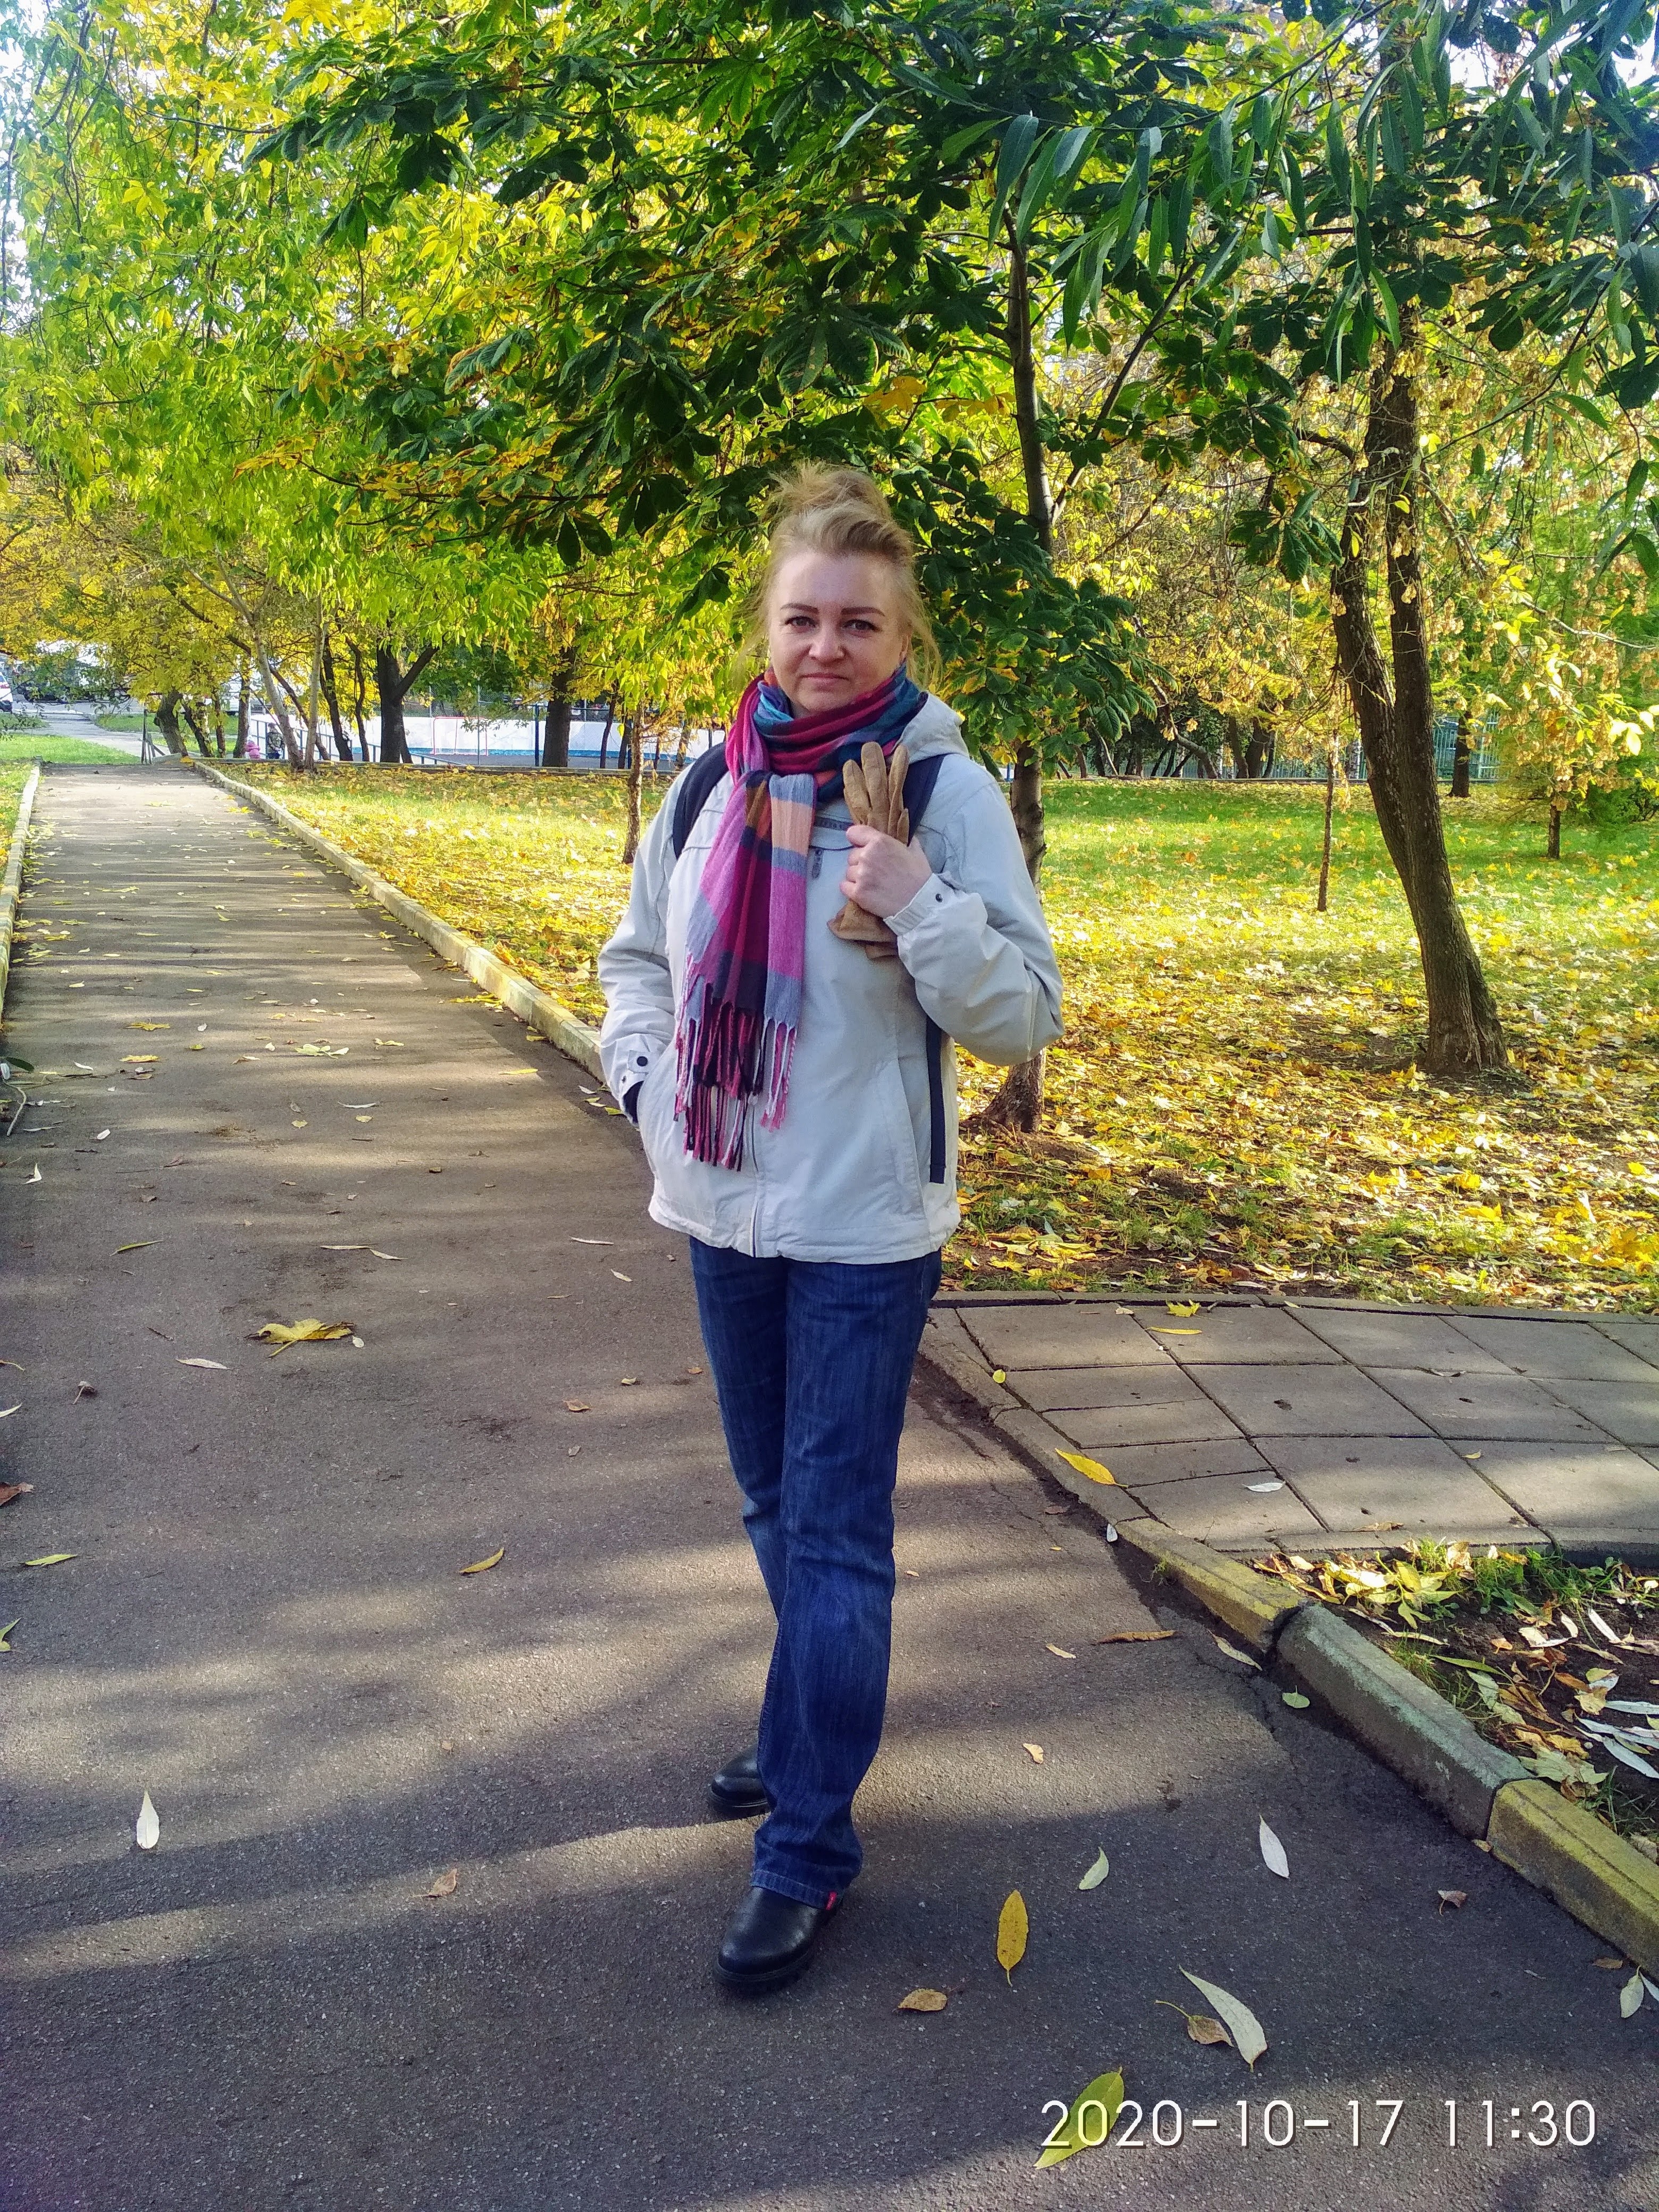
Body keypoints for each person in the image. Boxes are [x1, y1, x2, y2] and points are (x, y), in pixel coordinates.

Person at [598, 465, 1062, 1994]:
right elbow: (637, 961)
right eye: (803, 618)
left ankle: (808, 1844)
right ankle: (811, 1725)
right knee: (768, 1503)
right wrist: (648, 1091)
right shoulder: (713, 781)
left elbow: (1021, 1017)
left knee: (838, 1530)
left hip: (864, 1223)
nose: (825, 646)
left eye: (858, 623)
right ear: (768, 625)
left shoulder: (942, 792)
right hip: (720, 1202)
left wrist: (920, 900)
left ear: (901, 633)